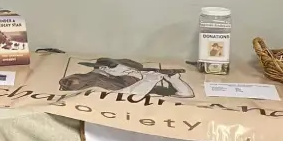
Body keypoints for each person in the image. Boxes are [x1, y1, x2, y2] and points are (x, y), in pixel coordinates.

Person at [60, 57, 195, 98]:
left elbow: (186, 94)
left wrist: (174, 80)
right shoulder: (99, 78)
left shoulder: (147, 78)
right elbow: (74, 82)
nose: (104, 69)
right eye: (102, 67)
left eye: (111, 66)